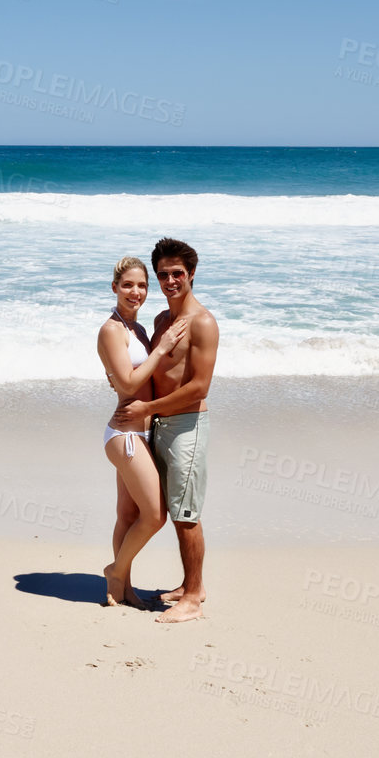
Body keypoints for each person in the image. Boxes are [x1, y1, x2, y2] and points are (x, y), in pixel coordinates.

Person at [110, 237, 218, 624]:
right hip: (156, 425)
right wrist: (123, 386)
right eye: (163, 275)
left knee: (185, 514)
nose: (170, 280)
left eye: (178, 273)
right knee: (165, 509)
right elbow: (147, 372)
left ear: (191, 274)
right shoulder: (160, 321)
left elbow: (198, 387)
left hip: (187, 426)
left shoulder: (202, 323)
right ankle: (193, 585)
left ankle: (192, 599)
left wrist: (148, 407)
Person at [96, 254, 191, 608]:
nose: (135, 292)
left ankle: (122, 589)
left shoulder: (136, 329)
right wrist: (163, 347)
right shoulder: (111, 329)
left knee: (128, 516)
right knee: (154, 516)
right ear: (114, 287)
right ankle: (116, 570)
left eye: (142, 285)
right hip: (125, 437)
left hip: (143, 434)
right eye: (128, 285)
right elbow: (131, 379)